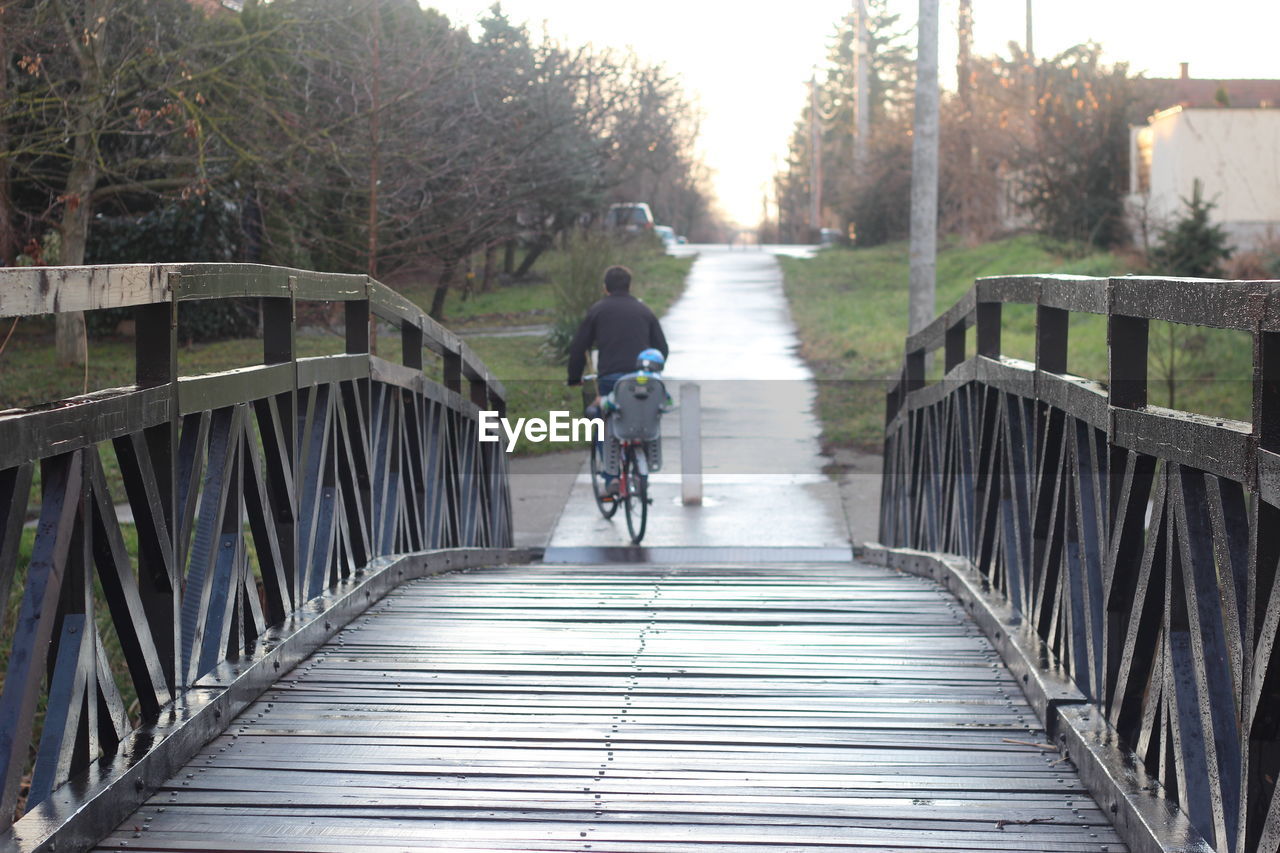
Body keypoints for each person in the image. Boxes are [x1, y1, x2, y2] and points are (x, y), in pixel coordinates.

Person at [566, 265, 668, 398]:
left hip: (610, 377)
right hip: (641, 378)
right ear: (629, 287)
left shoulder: (597, 310)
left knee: (600, 412)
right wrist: (653, 370)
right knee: (647, 412)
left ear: (605, 288)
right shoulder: (644, 310)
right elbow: (661, 348)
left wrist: (574, 378)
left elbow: (579, 347)